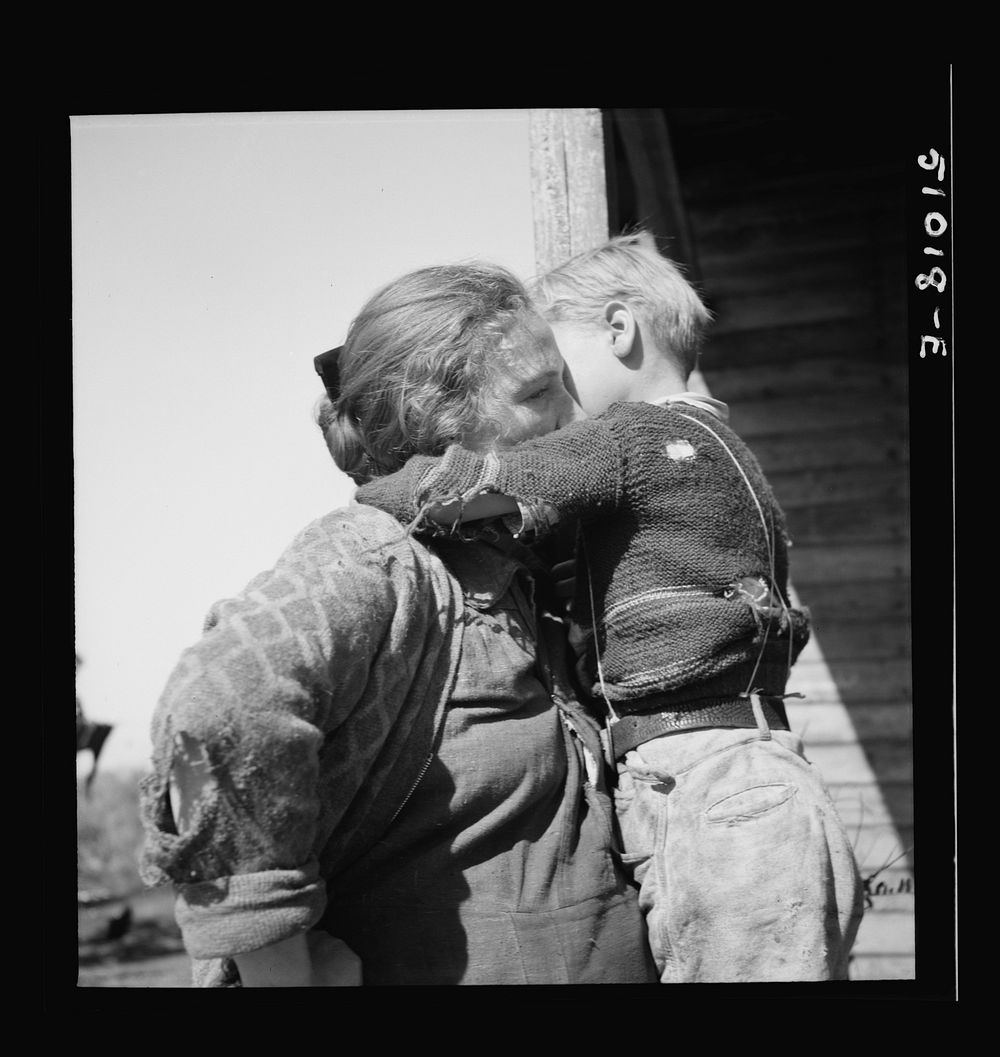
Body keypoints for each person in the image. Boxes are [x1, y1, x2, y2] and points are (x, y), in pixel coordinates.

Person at [356, 231, 865, 983]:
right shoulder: (719, 451)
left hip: (716, 787)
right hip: (745, 775)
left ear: (620, 330)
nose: (560, 405)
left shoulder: (636, 436)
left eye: (558, 374)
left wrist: (375, 492)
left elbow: (486, 481)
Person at [138, 261, 658, 987]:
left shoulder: (515, 570)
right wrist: (278, 969)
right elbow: (207, 715)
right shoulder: (379, 561)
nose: (575, 416)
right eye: (540, 392)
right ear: (442, 426)